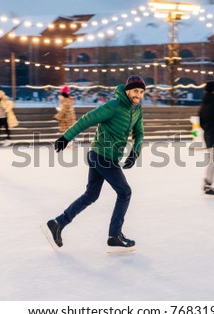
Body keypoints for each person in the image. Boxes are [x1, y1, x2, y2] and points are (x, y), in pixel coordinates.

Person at [44, 75, 145, 251]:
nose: (139, 95)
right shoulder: (114, 106)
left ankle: (57, 223)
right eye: (135, 91)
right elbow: (87, 119)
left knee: (91, 195)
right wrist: (66, 137)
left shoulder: (137, 110)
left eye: (142, 92)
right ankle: (114, 236)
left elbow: (139, 133)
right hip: (102, 155)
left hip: (105, 156)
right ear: (127, 91)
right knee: (125, 192)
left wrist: (135, 151)